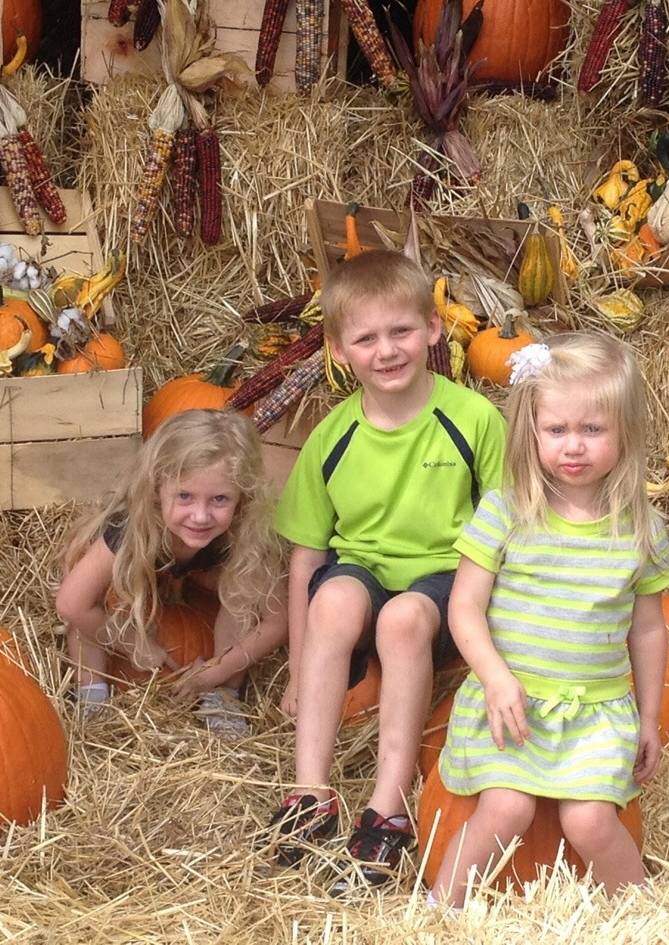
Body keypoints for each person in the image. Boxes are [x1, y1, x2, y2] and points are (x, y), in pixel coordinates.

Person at [266, 248, 506, 892]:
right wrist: (298, 667)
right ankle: (310, 793)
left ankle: (389, 807)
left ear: (433, 329)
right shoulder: (332, 436)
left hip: (447, 585)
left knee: (402, 619)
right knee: (334, 599)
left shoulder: (473, 419)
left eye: (401, 331)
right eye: (366, 339)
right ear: (338, 352)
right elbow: (307, 557)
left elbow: (508, 532)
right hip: (363, 576)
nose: (387, 350)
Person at [430, 331, 669, 908]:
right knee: (506, 808)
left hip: (595, 715)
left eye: (593, 429)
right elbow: (463, 607)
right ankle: (440, 909)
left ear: (625, 432)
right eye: (557, 430)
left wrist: (650, 716)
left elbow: (646, 630)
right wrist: (495, 678)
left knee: (590, 822)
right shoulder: (506, 511)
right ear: (531, 432)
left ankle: (643, 914)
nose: (574, 446)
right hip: (512, 704)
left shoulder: (641, 529)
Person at [56, 408, 288, 737]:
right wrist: (134, 645)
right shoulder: (132, 528)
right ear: (156, 490)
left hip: (202, 574)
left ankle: (223, 697)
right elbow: (71, 604)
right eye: (185, 496)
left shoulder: (244, 534)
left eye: (220, 499)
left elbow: (278, 622)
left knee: (245, 590)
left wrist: (214, 672)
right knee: (95, 604)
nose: (200, 516)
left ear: (243, 499)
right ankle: (92, 697)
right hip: (143, 575)